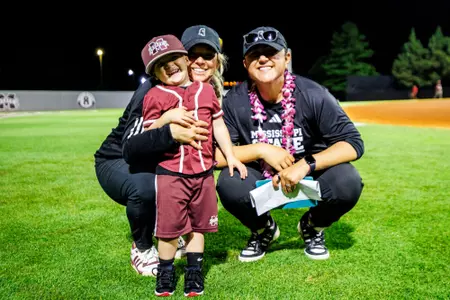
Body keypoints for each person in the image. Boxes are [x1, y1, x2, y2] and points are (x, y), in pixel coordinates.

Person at [215, 26, 365, 262]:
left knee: (348, 182)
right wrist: (262, 149)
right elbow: (217, 156)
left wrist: (306, 164)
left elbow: (353, 143)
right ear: (245, 64)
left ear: (287, 58)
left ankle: (312, 226)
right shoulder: (234, 100)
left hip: (310, 175)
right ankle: (264, 229)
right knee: (229, 183)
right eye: (255, 54)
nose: (263, 58)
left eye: (271, 52)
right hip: (260, 176)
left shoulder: (314, 94)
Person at [93, 25, 225, 278]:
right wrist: (168, 130)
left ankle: (181, 233)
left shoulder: (209, 91)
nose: (199, 61)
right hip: (117, 160)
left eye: (206, 55)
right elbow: (130, 149)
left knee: (197, 180)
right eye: (194, 53)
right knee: (148, 187)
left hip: (158, 160)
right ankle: (142, 247)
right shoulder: (152, 91)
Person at [139, 33, 247, 297]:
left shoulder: (206, 89)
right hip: (170, 173)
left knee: (199, 226)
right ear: (154, 72)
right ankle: (165, 272)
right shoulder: (154, 95)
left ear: (186, 60)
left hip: (203, 174)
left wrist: (230, 155)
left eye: (173, 57)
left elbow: (218, 124)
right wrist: (167, 117)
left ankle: (194, 271)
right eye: (159, 63)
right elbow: (148, 132)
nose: (168, 65)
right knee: (168, 229)